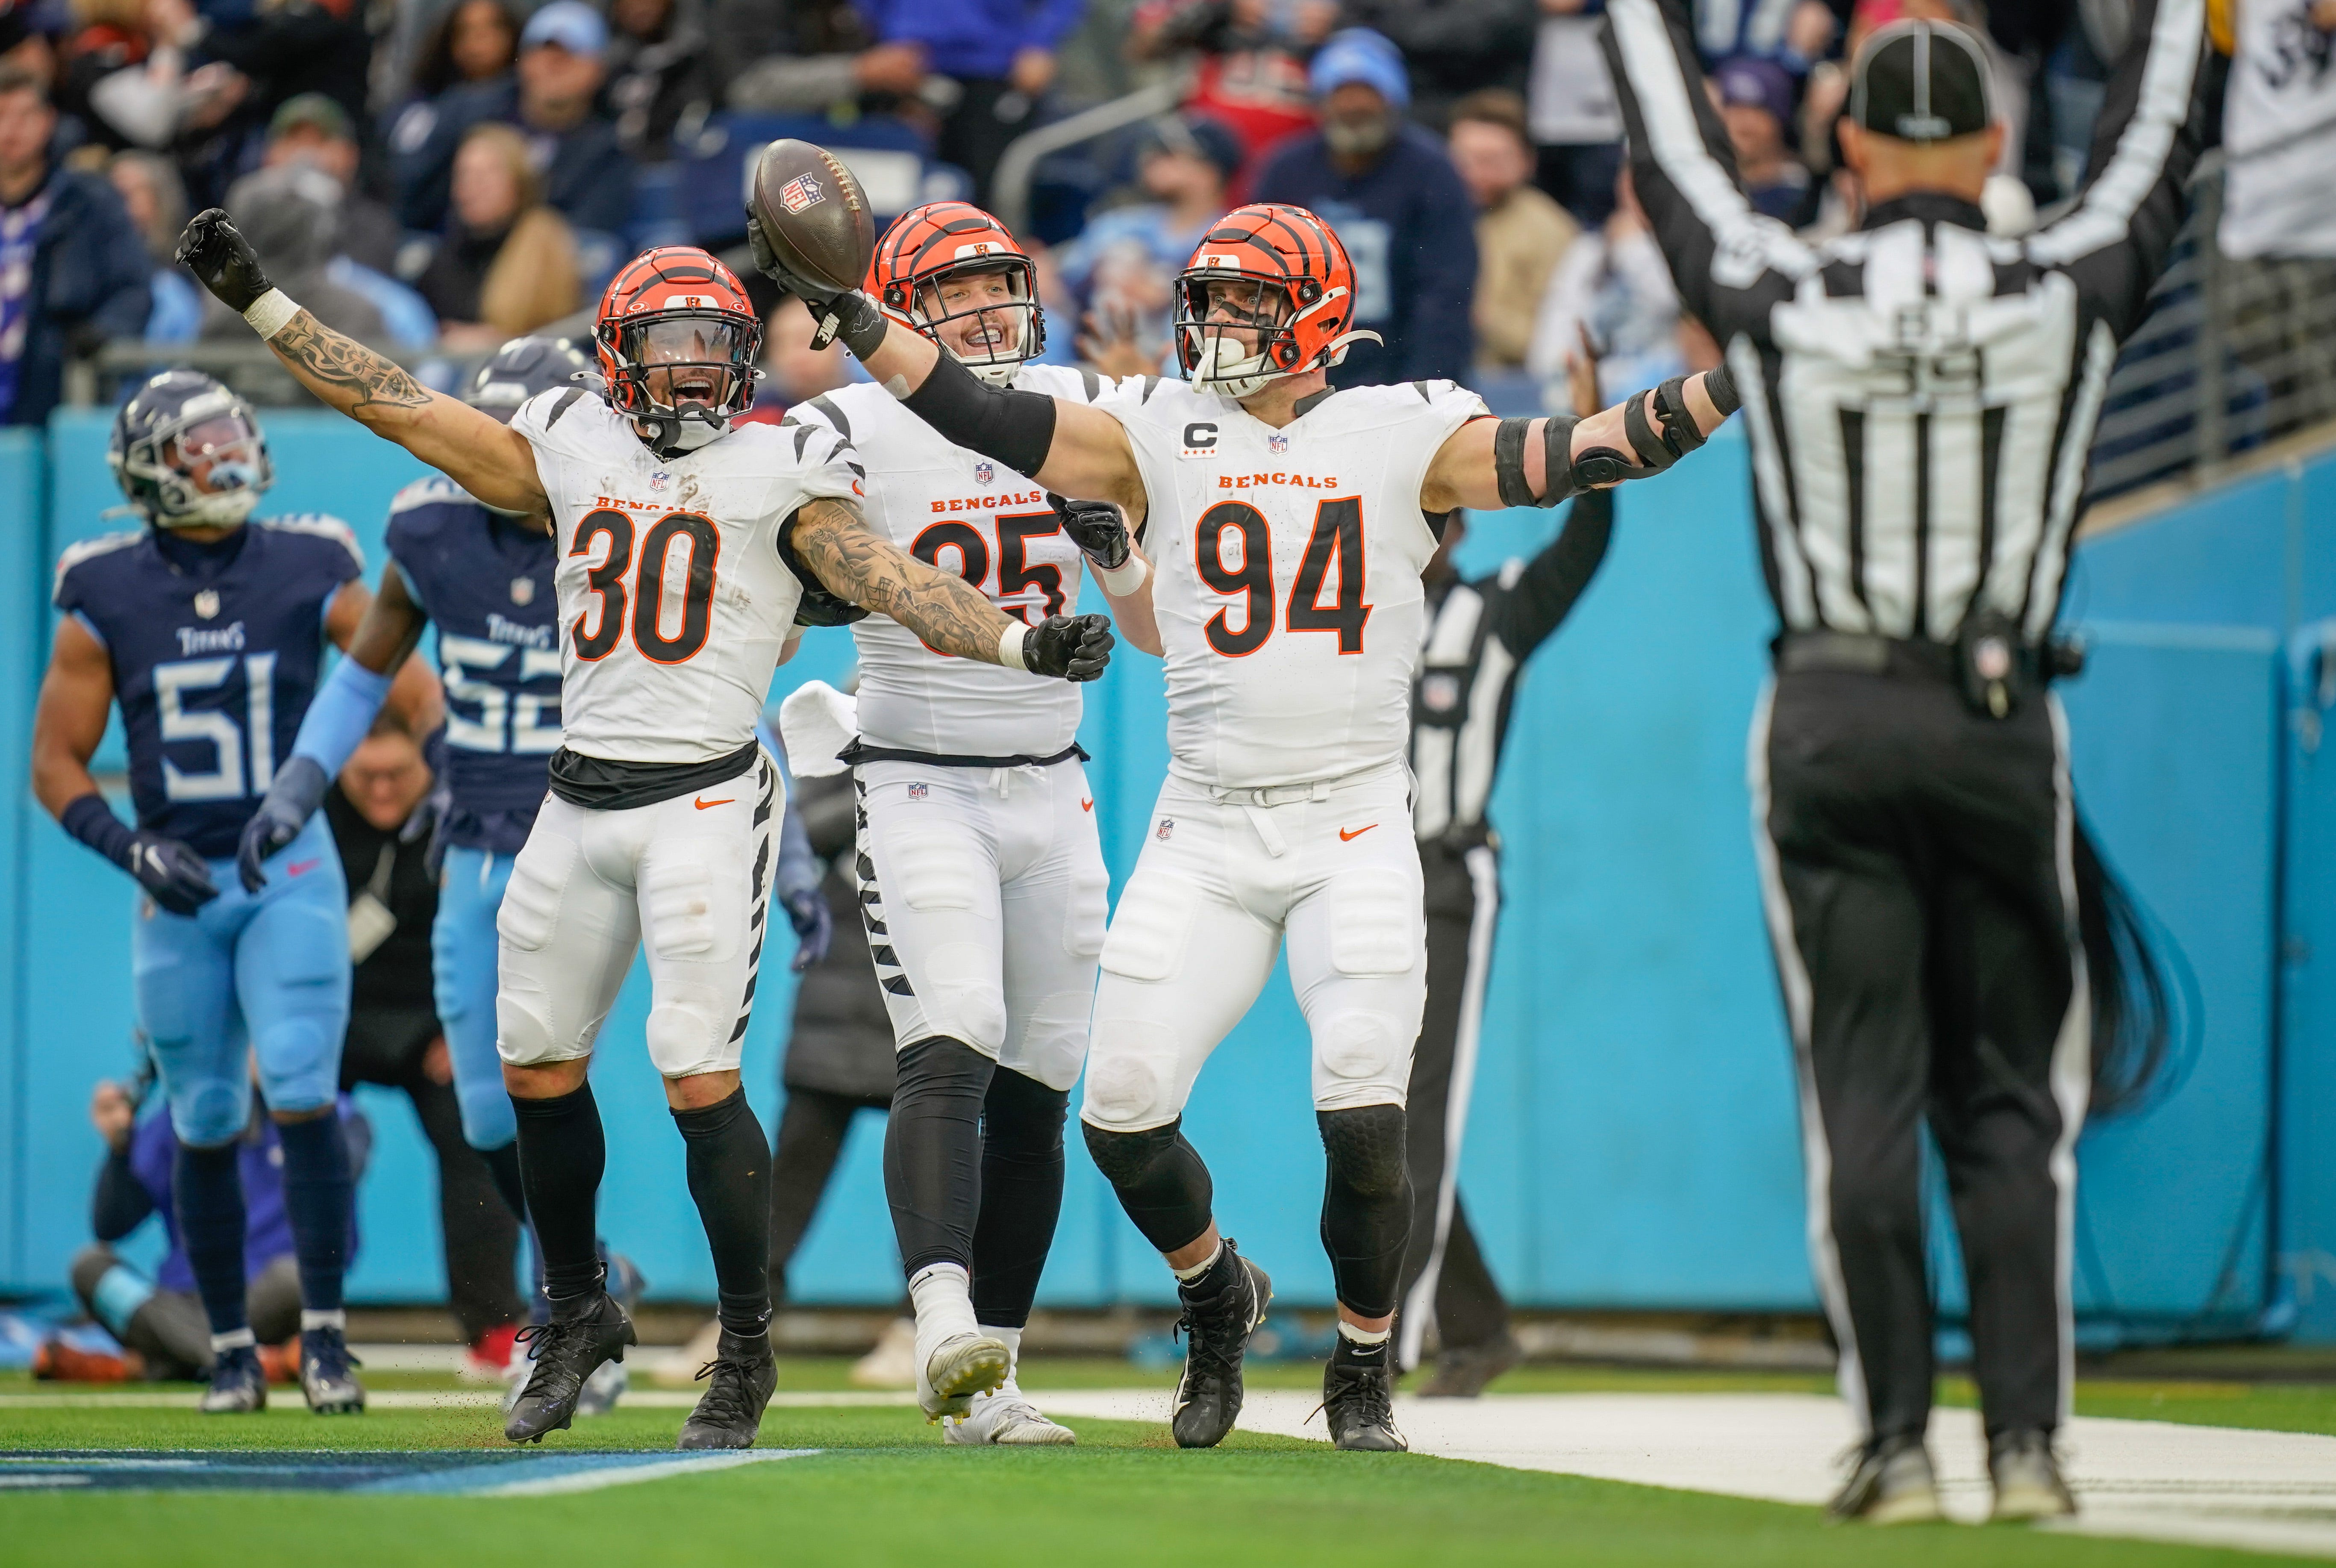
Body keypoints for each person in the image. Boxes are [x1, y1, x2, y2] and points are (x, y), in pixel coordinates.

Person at [754, 197, 1738, 1453]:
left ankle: (1363, 1365)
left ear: (1319, 313)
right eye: (1203, 299)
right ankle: (1216, 1293)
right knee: (1115, 1105)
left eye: (1238, 302)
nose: (1209, 323)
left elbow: (1587, 451)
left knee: (1364, 1102)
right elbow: (981, 413)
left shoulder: (1405, 425)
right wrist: (867, 324)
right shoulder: (1159, 425)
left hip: (1355, 821)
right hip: (1207, 824)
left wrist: (1726, 378)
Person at [178, 211, 1116, 1449]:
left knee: (694, 1067)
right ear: (614, 355)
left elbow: (892, 576)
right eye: (666, 342)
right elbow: (398, 403)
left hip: (709, 796)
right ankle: (574, 1309)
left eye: (711, 341)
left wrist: (1012, 638)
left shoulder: (782, 462)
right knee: (530, 1066)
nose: (690, 367)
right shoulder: (565, 438)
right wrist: (264, 306)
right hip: (576, 793)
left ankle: (745, 1341)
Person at [1601, 0, 2209, 1522]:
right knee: (2007, 1104)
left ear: (1846, 146)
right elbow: (2155, 128)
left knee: (1856, 1091)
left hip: (1824, 714)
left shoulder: (1770, 284)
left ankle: (1886, 1438)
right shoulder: (2066, 282)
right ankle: (2021, 1447)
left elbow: (1671, 145)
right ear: (1996, 143)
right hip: (1996, 720)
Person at [211, 336, 648, 1404]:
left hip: (591, 836)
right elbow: (364, 673)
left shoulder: (630, 527)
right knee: (489, 1116)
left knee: (580, 1075)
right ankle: (592, 1284)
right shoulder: (429, 529)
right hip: (476, 851)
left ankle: (574, 1309)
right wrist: (300, 783)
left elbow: (711, 689)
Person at [777, 202, 1132, 1445]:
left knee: (1042, 1073)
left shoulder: (1077, 400)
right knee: (954, 1032)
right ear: (898, 306)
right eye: (958, 291)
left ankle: (1002, 1374)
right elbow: (858, 572)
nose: (988, 310)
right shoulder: (841, 422)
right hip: (917, 774)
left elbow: (1148, 605)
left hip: (1052, 779)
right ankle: (939, 1327)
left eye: (1000, 286)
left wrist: (1127, 562)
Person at [29, 370, 440, 1416]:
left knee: (300, 1081)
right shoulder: (102, 587)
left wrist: (437, 779)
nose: (224, 455)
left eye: (228, 433)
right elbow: (56, 763)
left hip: (287, 868)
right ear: (148, 474)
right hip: (176, 879)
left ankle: (328, 1344)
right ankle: (225, 1350)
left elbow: (411, 683)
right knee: (207, 1113)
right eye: (196, 443)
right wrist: (126, 847)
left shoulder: (311, 561)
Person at [1398, 333, 1613, 1396]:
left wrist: (1585, 437)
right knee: (1372, 1110)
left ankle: (1379, 1348)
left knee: (1413, 1119)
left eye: (1436, 511)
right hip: (1354, 876)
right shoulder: (1342, 612)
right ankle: (1475, 1328)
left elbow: (1584, 545)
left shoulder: (1495, 612)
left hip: (1444, 879)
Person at [325, 712, 528, 1374]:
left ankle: (495, 1328)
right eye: (365, 777)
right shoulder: (311, 816)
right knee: (281, 1134)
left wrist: (472, 1024)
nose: (381, 791)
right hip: (331, 1019)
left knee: (480, 1138)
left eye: (397, 776)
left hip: (431, 1023)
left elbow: (506, 921)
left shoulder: (463, 816)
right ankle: (272, 1316)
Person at [59, 1074, 369, 1385]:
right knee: (90, 1266)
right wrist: (120, 1146)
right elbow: (111, 1226)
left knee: (294, 1277)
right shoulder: (179, 1118)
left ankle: (165, 1361)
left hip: (262, 1297)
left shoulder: (322, 1112)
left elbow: (345, 1170)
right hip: (176, 1301)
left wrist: (285, 1095)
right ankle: (245, 1360)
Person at [1250, 29, 1479, 386]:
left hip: (1397, 367)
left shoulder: (1431, 171)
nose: (1353, 108)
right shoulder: (1286, 172)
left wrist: (1422, 388)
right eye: (1341, 94)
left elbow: (1445, 293)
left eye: (1366, 95)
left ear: (1392, 100)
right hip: (1302, 369)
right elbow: (1258, 279)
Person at [392, 1, 635, 240]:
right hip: (457, 258)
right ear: (523, 60)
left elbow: (587, 242)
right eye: (542, 53)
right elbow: (410, 197)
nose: (552, 67)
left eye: (567, 57)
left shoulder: (610, 151)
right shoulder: (472, 114)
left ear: (597, 69)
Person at [0, 65, 148, 427]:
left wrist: (100, 335)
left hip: (51, 404)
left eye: (23, 116)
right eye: (1, 116)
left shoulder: (89, 204)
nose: (10, 130)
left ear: (48, 121)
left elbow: (133, 289)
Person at [854, 0, 1086, 205]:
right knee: (891, 195)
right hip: (904, 68)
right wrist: (888, 32)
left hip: (996, 70)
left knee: (988, 196)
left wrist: (1040, 43)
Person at [412, 123, 583, 350]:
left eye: (488, 174)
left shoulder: (543, 237)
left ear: (519, 181)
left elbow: (563, 333)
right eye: (464, 175)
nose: (473, 186)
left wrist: (498, 341)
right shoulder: (450, 249)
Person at [1447, 88, 1579, 371]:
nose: (1476, 173)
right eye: (1465, 159)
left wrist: (1476, 313)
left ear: (1527, 162)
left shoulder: (1551, 230)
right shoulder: (1428, 214)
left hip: (1516, 388)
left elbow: (1556, 341)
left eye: (1492, 160)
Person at [263, 92, 400, 278]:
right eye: (294, 140)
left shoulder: (375, 227)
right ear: (269, 155)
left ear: (351, 154)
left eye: (320, 141)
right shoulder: (246, 220)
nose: (305, 154)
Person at [106, 148, 202, 342]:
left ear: (159, 197)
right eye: (112, 194)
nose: (117, 205)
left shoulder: (184, 273)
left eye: (128, 194)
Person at [1710, 53, 1815, 224]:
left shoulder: (1805, 192)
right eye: (1733, 108)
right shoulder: (1711, 185)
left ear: (1780, 121)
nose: (1741, 123)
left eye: (1755, 111)